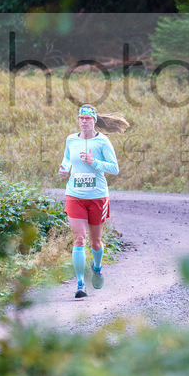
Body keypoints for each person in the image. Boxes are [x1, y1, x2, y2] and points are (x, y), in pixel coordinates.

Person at [58, 104, 129, 298]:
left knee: (95, 242)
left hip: (97, 196)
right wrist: (64, 169)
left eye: (87, 118)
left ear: (94, 121)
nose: (84, 121)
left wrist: (94, 162)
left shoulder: (103, 142)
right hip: (75, 195)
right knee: (79, 239)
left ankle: (97, 268)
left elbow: (114, 168)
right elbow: (67, 159)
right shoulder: (71, 140)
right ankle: (80, 284)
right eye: (81, 118)